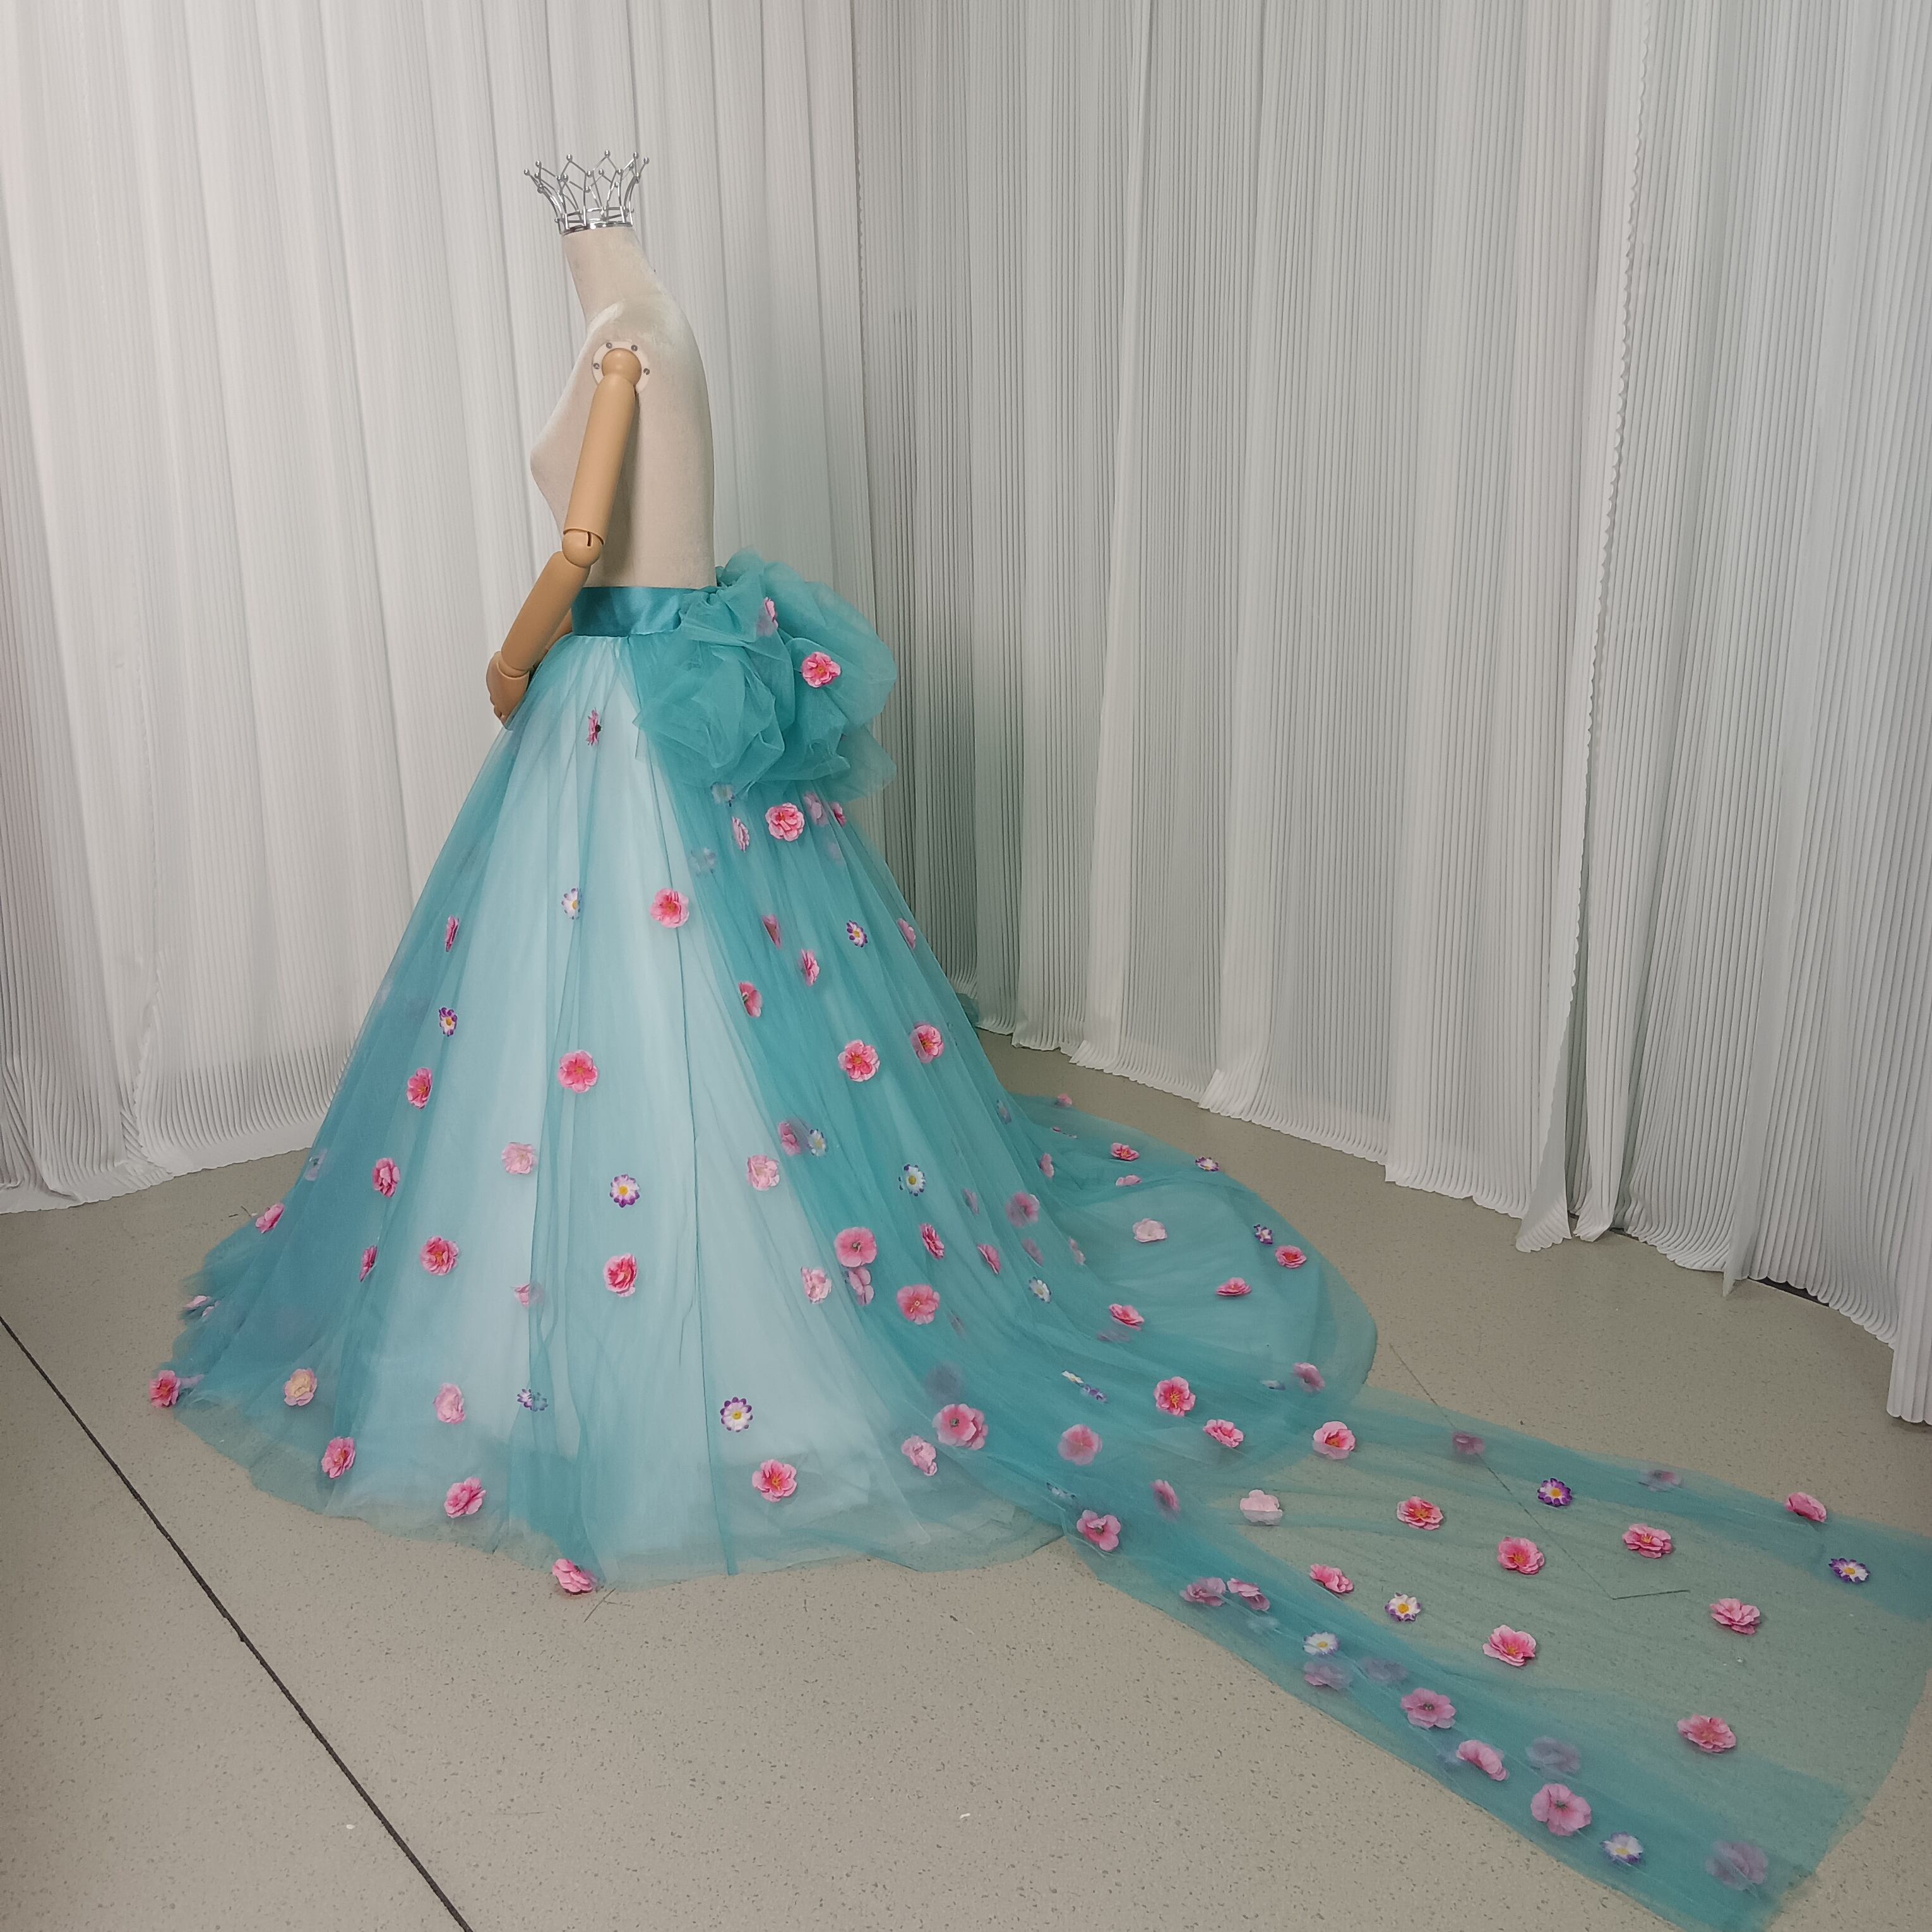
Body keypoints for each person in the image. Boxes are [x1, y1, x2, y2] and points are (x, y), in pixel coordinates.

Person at [153, 156, 1931, 1932]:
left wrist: (509, 664)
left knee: (630, 1016)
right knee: (703, 1024)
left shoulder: (621, 330)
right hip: (659, 712)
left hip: (611, 710)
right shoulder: (658, 320)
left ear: (576, 218)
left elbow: (575, 553)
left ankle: (697, 1311)